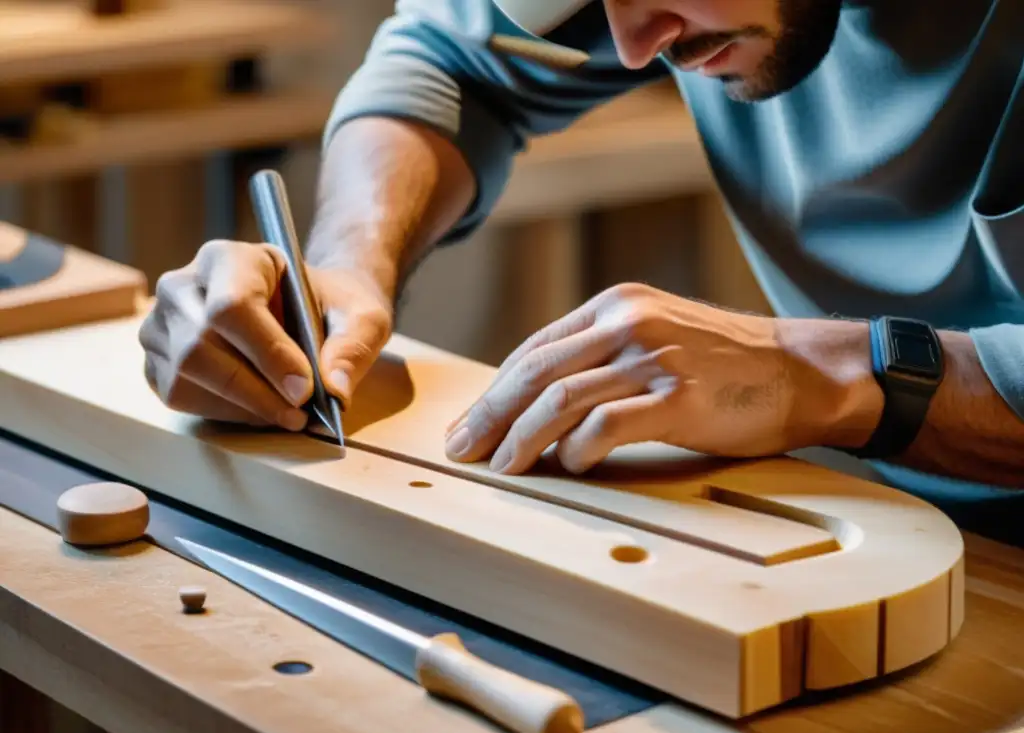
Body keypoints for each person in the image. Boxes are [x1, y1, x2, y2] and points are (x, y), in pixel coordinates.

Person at [138, 0, 1024, 531]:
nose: (634, 46)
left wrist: (825, 375)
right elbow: (446, 63)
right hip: (932, 539)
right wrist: (344, 268)